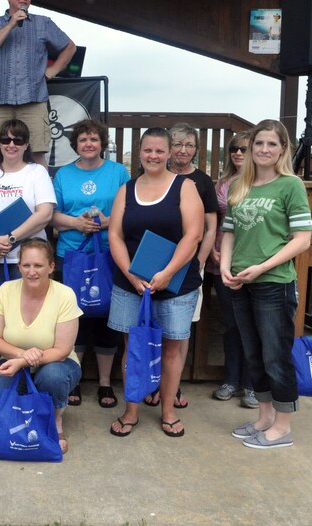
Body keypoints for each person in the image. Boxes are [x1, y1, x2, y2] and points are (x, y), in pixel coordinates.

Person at [106, 127, 204, 438]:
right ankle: (131, 409)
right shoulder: (127, 189)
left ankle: (168, 410)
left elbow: (194, 235)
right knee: (132, 348)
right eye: (148, 150)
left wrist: (167, 273)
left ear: (169, 153)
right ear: (140, 152)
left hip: (175, 284)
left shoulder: (185, 187)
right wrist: (132, 275)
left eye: (160, 150)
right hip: (131, 284)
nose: (153, 155)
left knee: (172, 350)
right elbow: (115, 235)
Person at [221, 119, 312, 449]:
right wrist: (224, 266)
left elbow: (302, 239)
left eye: (272, 144)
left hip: (274, 282)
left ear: (283, 149)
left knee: (276, 355)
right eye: (258, 144)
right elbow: (228, 232)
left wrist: (262, 266)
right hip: (241, 282)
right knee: (254, 353)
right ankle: (264, 417)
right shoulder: (238, 187)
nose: (263, 150)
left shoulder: (291, 186)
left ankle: (283, 426)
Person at [52, 119, 129, 408]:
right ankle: (74, 379)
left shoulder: (118, 172)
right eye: (83, 139)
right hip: (70, 254)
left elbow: (128, 208)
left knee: (108, 316)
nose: (88, 144)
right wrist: (75, 223)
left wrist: (108, 221)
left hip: (111, 253)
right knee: (75, 317)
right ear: (75, 144)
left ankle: (105, 383)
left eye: (94, 139)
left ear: (102, 143)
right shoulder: (63, 174)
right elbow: (51, 214)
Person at [0, 239, 81, 454]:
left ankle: (55, 421)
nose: (31, 271)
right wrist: (21, 355)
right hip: (12, 359)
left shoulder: (65, 294)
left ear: (51, 267)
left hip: (57, 363)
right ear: (18, 266)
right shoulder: (6, 290)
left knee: (52, 377)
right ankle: (27, 412)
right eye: (26, 265)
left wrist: (23, 361)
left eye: (38, 265)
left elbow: (62, 349)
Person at [145, 123, 217, 409]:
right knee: (154, 325)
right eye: (177, 144)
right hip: (154, 264)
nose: (183, 150)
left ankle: (172, 389)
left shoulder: (201, 182)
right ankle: (155, 385)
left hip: (188, 265)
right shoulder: (149, 176)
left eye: (189, 145)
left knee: (179, 330)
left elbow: (210, 227)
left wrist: (199, 259)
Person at [0, 0, 76, 166]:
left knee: (38, 154)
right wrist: (10, 24)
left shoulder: (43, 23)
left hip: (34, 99)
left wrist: (52, 71)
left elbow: (70, 47)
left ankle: (42, 196)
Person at [0, 119, 55, 283]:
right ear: (0, 144)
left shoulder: (37, 172)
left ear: (26, 145)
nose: (11, 144)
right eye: (5, 140)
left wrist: (11, 238)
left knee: (30, 307)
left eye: (18, 140)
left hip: (30, 260)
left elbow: (45, 213)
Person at [209, 132, 257, 408]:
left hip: (253, 261)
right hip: (223, 261)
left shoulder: (263, 183)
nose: (238, 154)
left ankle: (252, 385)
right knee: (231, 325)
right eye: (233, 149)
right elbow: (214, 220)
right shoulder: (223, 184)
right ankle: (231, 380)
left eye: (244, 149)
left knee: (252, 326)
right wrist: (213, 252)